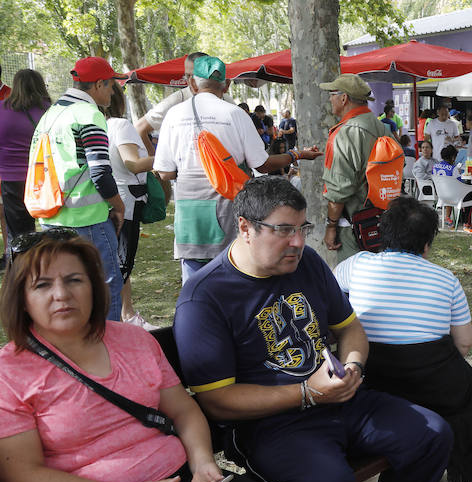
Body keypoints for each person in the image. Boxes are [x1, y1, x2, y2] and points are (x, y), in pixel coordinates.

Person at [173, 177, 452, 482]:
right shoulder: (206, 297)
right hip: (274, 425)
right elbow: (217, 401)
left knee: (432, 435)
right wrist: (306, 394)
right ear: (244, 227)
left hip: (339, 398)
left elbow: (350, 330)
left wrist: (355, 365)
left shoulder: (307, 266)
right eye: (283, 230)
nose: (298, 242)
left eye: (303, 228)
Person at [0, 230, 314, 482]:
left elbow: (183, 410)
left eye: (73, 279)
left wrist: (203, 464)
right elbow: (24, 478)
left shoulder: (132, 340)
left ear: (94, 285)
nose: (61, 294)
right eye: (42, 284)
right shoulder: (12, 371)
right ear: (21, 297)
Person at [334, 196, 472, 482]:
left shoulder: (356, 265)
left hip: (368, 378)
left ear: (383, 234)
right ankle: (463, 480)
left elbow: (332, 300)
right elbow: (463, 342)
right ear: (427, 244)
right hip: (431, 384)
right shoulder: (446, 280)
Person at [154, 56, 318, 284]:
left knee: (194, 280)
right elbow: (262, 163)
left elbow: (164, 173)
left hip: (190, 215)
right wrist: (296, 154)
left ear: (192, 83)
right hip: (228, 207)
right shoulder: (235, 114)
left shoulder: (173, 115)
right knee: (234, 271)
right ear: (227, 84)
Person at [28, 57, 128, 322]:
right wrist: (118, 206)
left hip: (52, 217)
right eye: (110, 86)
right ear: (98, 84)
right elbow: (100, 172)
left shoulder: (51, 114)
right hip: (88, 220)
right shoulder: (89, 114)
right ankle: (111, 350)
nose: (111, 92)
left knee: (69, 289)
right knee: (106, 288)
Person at [102, 81, 157, 330]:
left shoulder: (95, 126)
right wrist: (169, 155)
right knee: (122, 263)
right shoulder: (120, 125)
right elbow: (132, 163)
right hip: (125, 203)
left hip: (105, 201)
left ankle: (127, 313)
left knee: (116, 260)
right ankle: (114, 320)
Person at [320, 73, 384, 263]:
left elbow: (339, 188)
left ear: (343, 98)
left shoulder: (346, 132)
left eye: (332, 94)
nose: (330, 99)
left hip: (355, 225)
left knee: (352, 284)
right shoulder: (380, 126)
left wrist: (331, 226)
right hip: (382, 218)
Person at [135, 52, 235, 152]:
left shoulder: (227, 101)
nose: (191, 80)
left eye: (196, 75)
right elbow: (140, 128)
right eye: (187, 76)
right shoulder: (177, 100)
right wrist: (153, 158)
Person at [0, 69, 49, 260]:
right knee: (53, 227)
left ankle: (21, 270)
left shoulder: (2, 110)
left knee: (19, 236)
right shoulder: (47, 111)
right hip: (44, 179)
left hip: (12, 180)